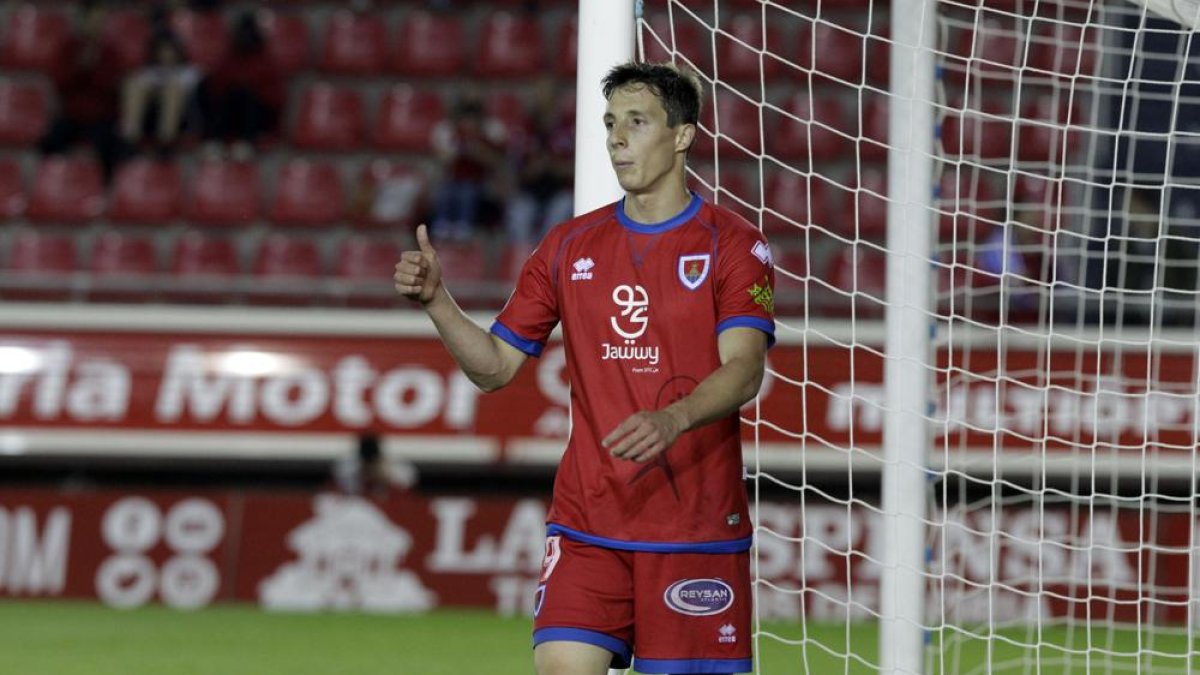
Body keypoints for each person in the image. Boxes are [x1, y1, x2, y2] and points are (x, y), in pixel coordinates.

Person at [395, 62, 774, 675]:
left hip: (693, 530)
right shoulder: (570, 245)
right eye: (609, 123)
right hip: (587, 521)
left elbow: (745, 370)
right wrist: (440, 302)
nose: (616, 138)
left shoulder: (733, 244)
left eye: (637, 121)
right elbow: (494, 368)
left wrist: (675, 418)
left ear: (682, 136)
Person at [199, 9, 283, 159]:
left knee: (247, 96)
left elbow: (275, 98)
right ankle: (214, 142)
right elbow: (215, 87)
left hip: (257, 118)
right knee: (223, 93)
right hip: (230, 114)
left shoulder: (266, 60)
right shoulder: (228, 58)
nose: (245, 37)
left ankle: (246, 143)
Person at [428, 94, 508, 241]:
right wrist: (454, 152)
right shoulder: (456, 137)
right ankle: (442, 222)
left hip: (479, 183)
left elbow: (496, 162)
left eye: (472, 121)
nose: (469, 124)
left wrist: (477, 152)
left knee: (467, 192)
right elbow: (445, 160)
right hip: (455, 180)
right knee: (446, 191)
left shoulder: (484, 139)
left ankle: (464, 224)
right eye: (466, 121)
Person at [119, 28, 203, 154]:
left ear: (178, 52)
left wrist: (164, 89)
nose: (166, 54)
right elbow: (139, 85)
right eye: (162, 50)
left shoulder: (189, 71)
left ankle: (165, 143)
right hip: (150, 117)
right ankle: (129, 139)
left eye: (170, 50)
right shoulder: (150, 72)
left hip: (181, 118)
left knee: (172, 90)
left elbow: (193, 93)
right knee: (133, 84)